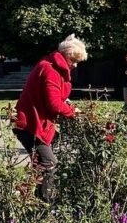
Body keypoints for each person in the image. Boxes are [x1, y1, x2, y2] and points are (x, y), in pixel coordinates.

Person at [13, 34, 87, 202]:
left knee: (40, 165)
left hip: (34, 123)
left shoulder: (51, 66)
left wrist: (65, 102)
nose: (75, 65)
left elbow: (55, 96)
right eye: (74, 60)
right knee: (49, 163)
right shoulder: (51, 70)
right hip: (32, 124)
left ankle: (31, 202)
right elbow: (53, 104)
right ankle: (46, 202)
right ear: (67, 56)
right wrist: (73, 112)